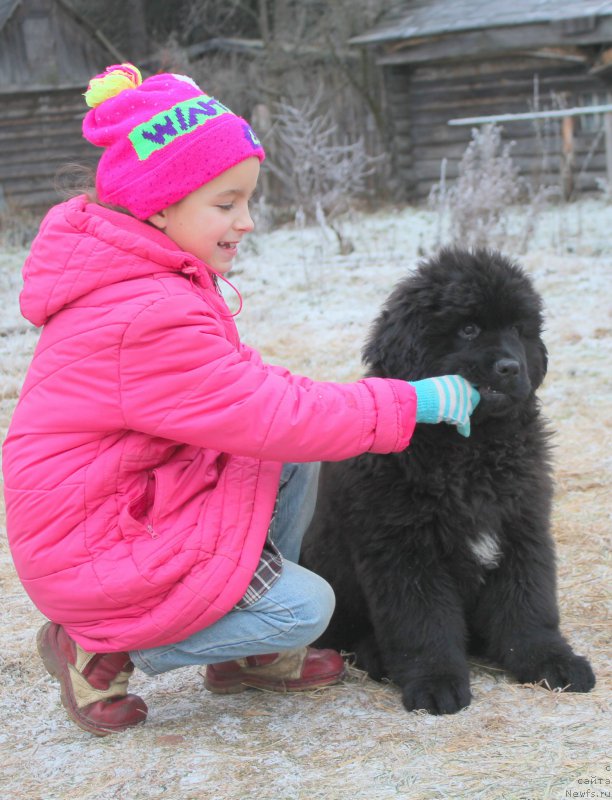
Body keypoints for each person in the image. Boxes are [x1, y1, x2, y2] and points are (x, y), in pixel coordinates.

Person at [2, 64, 480, 737]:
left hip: (125, 509)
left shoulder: (149, 276)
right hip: (100, 554)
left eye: (248, 201)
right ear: (159, 205)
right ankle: (101, 646)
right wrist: (408, 403)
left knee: (284, 456)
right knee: (307, 606)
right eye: (226, 204)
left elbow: (254, 404)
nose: (247, 222)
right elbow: (270, 411)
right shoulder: (145, 311)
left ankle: (250, 653)